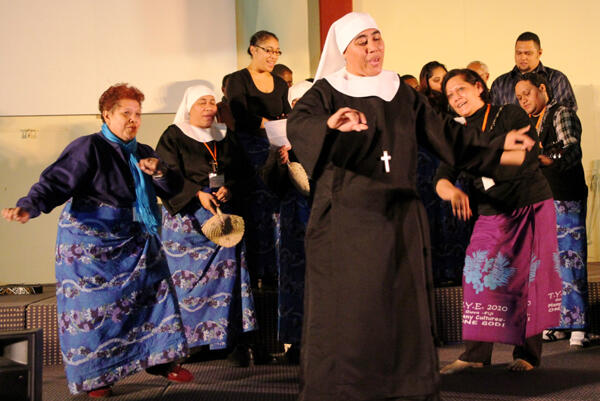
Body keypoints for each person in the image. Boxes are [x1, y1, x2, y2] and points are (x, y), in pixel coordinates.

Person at [287, 12, 538, 401]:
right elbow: (301, 125)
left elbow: (446, 135)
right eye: (362, 42)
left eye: (377, 38)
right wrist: (331, 124)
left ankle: (404, 389)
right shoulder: (326, 92)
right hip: (346, 222)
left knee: (401, 310)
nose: (373, 48)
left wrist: (497, 145)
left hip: (399, 219)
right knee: (351, 312)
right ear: (343, 50)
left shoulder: (401, 93)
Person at [2, 84, 193, 397]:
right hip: (89, 245)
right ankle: (97, 378)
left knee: (156, 292)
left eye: (138, 115)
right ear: (107, 114)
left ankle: (161, 359)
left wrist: (159, 171)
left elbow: (172, 187)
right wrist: (29, 206)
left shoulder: (144, 152)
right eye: (125, 113)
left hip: (134, 239)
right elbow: (55, 182)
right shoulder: (88, 147)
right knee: (92, 312)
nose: (133, 120)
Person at [436, 69, 562, 375]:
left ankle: (528, 354)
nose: (457, 99)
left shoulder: (507, 115)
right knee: (477, 276)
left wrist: (476, 157)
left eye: (461, 90)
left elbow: (524, 157)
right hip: (491, 211)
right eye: (450, 96)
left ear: (479, 87)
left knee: (529, 278)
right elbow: (440, 178)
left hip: (529, 204)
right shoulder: (457, 133)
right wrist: (452, 191)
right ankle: (476, 353)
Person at [155, 85, 258, 365]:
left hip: (222, 219)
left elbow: (243, 173)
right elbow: (164, 175)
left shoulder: (225, 136)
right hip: (187, 222)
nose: (209, 107)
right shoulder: (173, 135)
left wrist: (230, 189)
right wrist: (196, 193)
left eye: (212, 102)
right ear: (189, 106)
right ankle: (189, 342)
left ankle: (224, 340)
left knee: (227, 280)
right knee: (187, 283)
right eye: (202, 102)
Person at [515, 72, 589, 347]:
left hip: (564, 196)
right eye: (519, 96)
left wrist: (546, 158)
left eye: (527, 93)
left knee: (570, 260)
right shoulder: (530, 122)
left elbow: (571, 149)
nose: (523, 100)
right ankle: (558, 322)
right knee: (549, 265)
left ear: (542, 89)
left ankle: (578, 324)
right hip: (541, 199)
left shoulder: (561, 113)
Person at [226, 30, 291, 289]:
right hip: (248, 155)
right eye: (268, 50)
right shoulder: (237, 79)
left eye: (277, 51)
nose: (273, 56)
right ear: (253, 49)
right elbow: (240, 114)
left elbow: (286, 113)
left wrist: (284, 136)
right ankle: (255, 276)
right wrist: (267, 123)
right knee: (255, 213)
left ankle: (275, 271)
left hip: (276, 151)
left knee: (276, 212)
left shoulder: (281, 82)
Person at [490, 32, 577, 110]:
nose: (523, 57)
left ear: (539, 53)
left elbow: (567, 115)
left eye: (528, 53)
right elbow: (492, 120)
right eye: (519, 53)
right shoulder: (500, 84)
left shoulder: (556, 79)